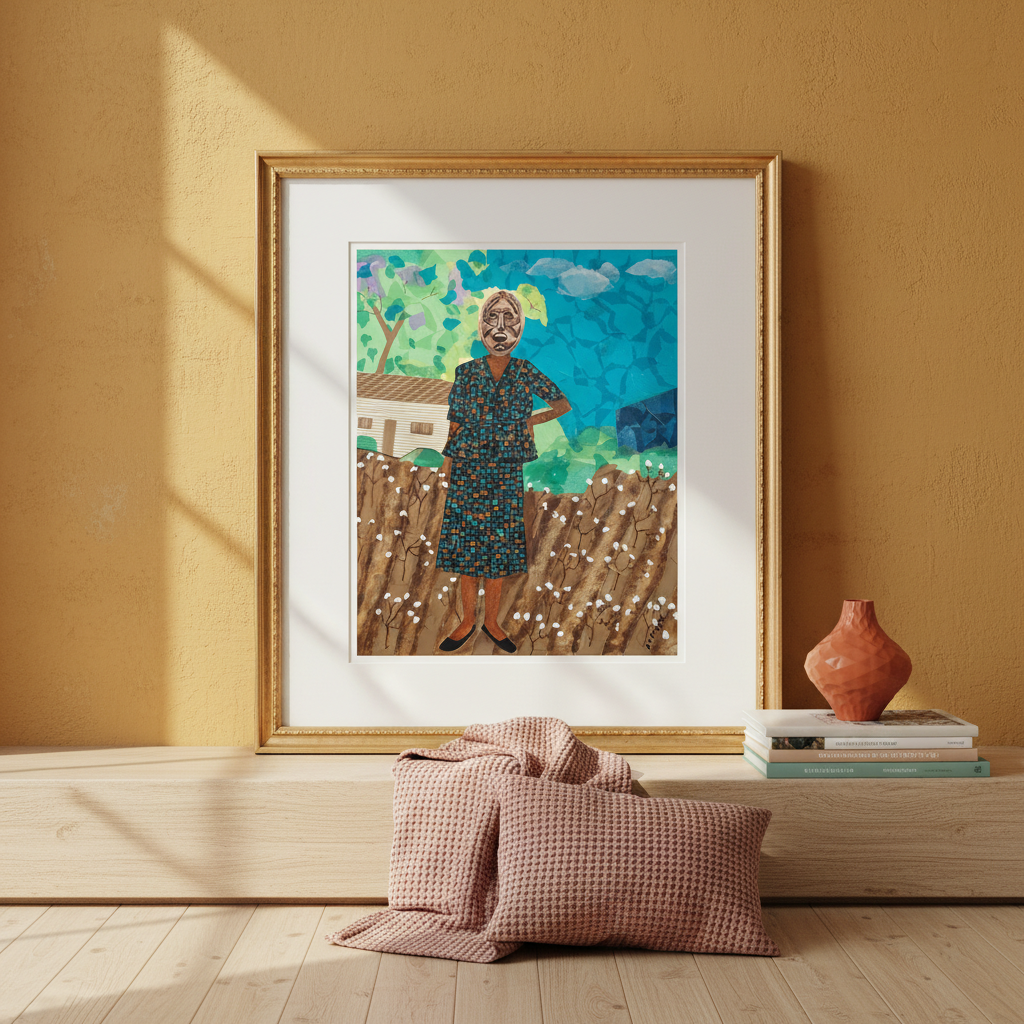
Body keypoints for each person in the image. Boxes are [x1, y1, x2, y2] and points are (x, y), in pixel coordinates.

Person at [435, 289, 571, 653]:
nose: (500, 328)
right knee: (466, 547)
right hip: (467, 468)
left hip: (506, 470)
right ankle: (467, 621)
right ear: (481, 326)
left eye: (509, 319)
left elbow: (561, 403)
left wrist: (529, 421)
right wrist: (447, 464)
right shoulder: (465, 372)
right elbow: (456, 422)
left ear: (520, 328)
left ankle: (491, 622)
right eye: (492, 319)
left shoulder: (525, 371)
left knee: (497, 550)